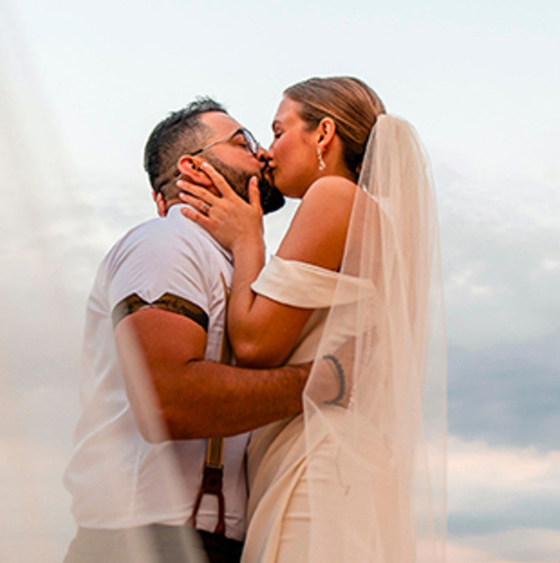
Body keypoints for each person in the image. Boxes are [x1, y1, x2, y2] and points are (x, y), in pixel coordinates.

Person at [62, 98, 342, 563]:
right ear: (193, 167)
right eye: (243, 142)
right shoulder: (166, 243)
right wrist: (325, 381)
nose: (263, 153)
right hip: (143, 545)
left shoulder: (240, 268)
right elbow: (167, 402)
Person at [178, 77, 446, 562]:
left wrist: (247, 241)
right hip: (342, 462)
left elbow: (256, 345)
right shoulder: (375, 221)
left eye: (278, 132)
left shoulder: (334, 197)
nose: (267, 153)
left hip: (316, 461)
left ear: (323, 133)